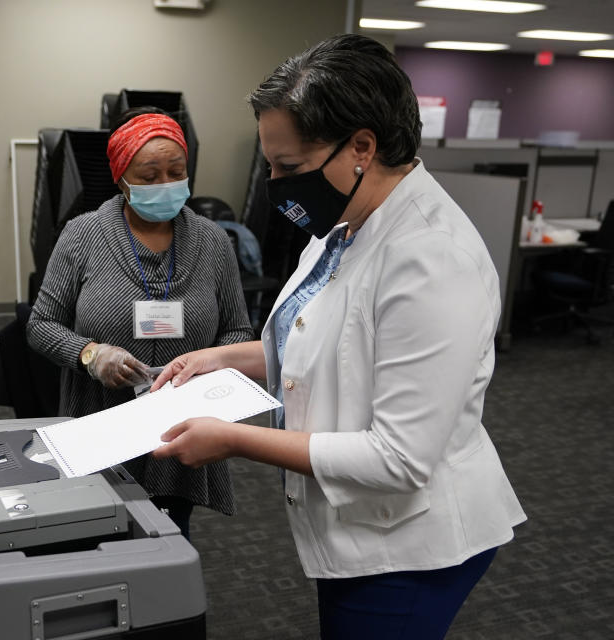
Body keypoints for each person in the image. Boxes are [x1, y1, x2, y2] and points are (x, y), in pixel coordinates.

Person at [150, 34, 526, 638]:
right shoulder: (345, 221)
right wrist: (221, 358)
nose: (274, 183)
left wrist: (234, 441)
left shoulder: (430, 259)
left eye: (289, 167)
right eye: (270, 164)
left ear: (362, 147)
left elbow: (399, 458)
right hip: (359, 524)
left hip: (407, 543)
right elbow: (323, 343)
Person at [26, 107, 253, 538]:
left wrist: (206, 364)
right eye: (149, 176)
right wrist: (92, 355)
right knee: (98, 543)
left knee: (170, 540)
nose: (164, 185)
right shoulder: (83, 234)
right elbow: (41, 324)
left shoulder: (213, 241)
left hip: (180, 429)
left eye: (176, 172)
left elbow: (239, 331)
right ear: (122, 177)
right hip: (101, 425)